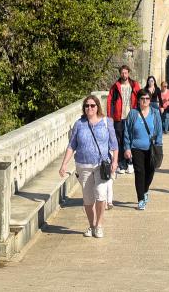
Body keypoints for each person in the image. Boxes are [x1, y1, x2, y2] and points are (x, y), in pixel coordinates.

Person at [58, 95, 118, 238]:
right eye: (87, 106)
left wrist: (115, 161)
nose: (89, 108)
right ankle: (91, 225)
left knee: (101, 194)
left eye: (92, 105)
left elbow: (114, 145)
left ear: (98, 107)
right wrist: (64, 164)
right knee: (88, 199)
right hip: (83, 165)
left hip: (101, 165)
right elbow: (72, 145)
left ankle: (99, 225)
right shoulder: (79, 124)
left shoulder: (106, 122)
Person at [123, 90, 163, 211]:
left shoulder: (155, 113)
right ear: (138, 100)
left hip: (151, 147)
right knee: (140, 172)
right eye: (142, 98)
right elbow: (126, 132)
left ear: (150, 100)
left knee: (150, 172)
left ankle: (145, 190)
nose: (144, 101)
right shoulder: (133, 114)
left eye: (147, 98)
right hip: (136, 147)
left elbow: (159, 131)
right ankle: (140, 199)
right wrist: (127, 148)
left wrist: (159, 145)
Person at [108, 65, 141, 176]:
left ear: (129, 73)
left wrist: (140, 112)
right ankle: (122, 164)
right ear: (120, 73)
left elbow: (141, 98)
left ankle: (130, 163)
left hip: (131, 116)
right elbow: (109, 102)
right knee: (120, 141)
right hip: (119, 117)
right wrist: (110, 117)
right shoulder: (115, 86)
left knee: (131, 140)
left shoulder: (134, 85)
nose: (124, 75)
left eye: (126, 72)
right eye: (122, 73)